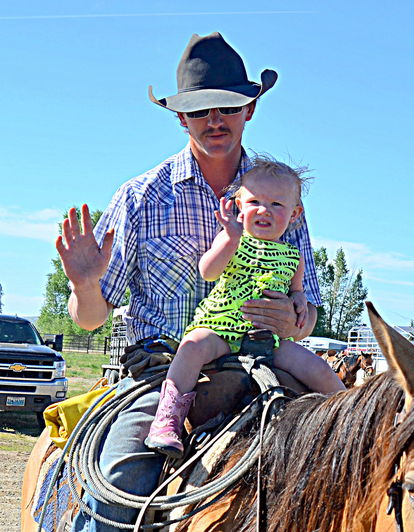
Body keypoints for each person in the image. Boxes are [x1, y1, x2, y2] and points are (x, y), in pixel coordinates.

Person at [56, 32, 323, 531]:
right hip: (161, 369)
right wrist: (87, 285)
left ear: (250, 109)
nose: (214, 120)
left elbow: (304, 309)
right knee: (118, 492)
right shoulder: (140, 196)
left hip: (263, 357)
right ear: (181, 118)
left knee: (335, 471)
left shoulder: (281, 194)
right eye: (199, 111)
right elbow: (90, 320)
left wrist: (297, 316)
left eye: (226, 106)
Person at [145, 158, 344, 457]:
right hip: (220, 328)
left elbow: (298, 291)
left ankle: (350, 415)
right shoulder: (232, 239)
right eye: (254, 202)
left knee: (317, 367)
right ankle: (168, 420)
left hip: (267, 339)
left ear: (295, 214)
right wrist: (229, 238)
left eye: (277, 204)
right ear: (239, 205)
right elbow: (208, 272)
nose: (264, 210)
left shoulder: (294, 256)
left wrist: (299, 302)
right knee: (191, 347)